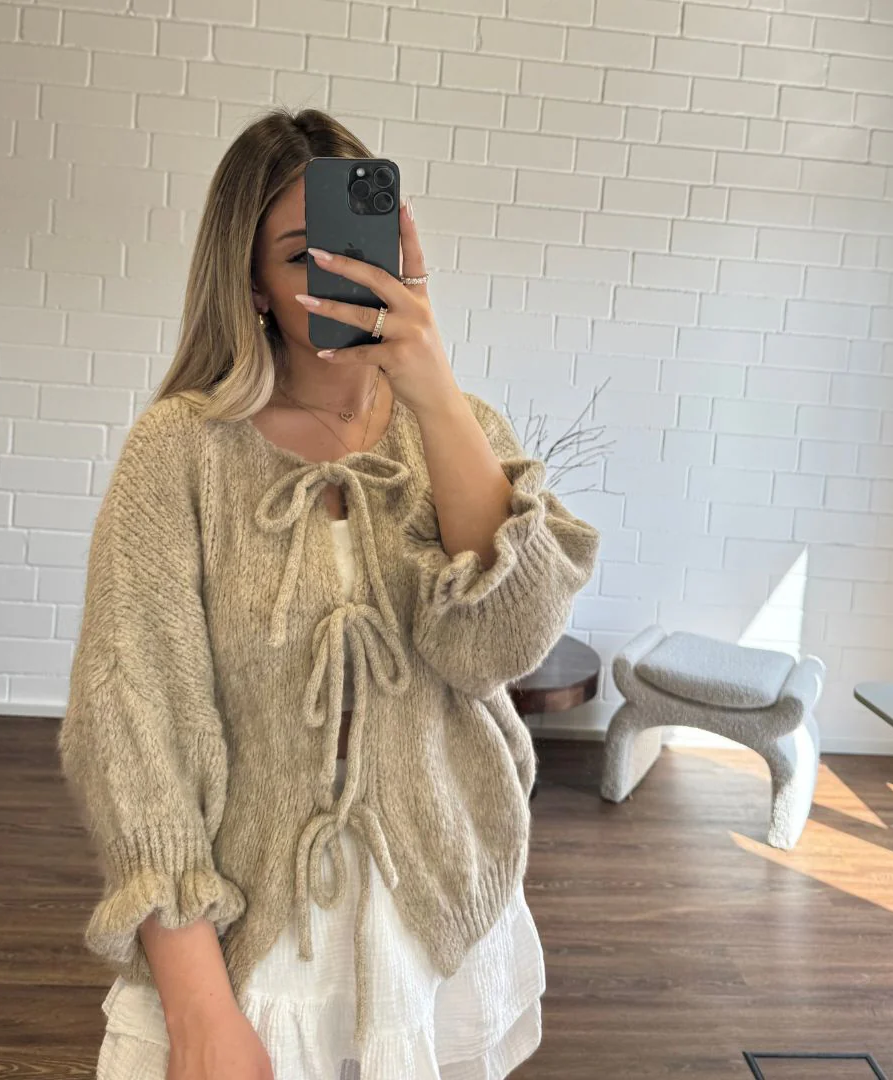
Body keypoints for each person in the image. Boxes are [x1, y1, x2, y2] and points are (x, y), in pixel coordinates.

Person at [56, 105, 601, 1080]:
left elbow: (501, 650)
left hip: (440, 903)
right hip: (249, 927)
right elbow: (133, 729)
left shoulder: (461, 427)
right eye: (301, 255)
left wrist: (433, 390)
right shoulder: (181, 451)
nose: (341, 272)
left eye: (358, 245)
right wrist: (198, 1009)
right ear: (252, 285)